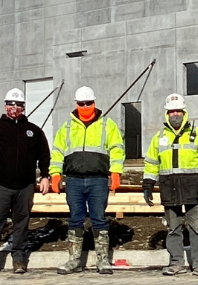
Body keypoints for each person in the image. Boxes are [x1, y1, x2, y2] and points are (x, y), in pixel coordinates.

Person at [0, 88, 52, 275]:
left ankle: (19, 259)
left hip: (25, 187)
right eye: (10, 104)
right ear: (5, 106)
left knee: (21, 224)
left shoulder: (33, 131)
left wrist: (45, 176)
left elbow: (44, 155)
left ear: (23, 107)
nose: (13, 108)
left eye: (18, 105)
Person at [49, 86, 125, 275]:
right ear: (76, 104)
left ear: (94, 103)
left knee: (99, 219)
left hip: (98, 180)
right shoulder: (67, 127)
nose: (85, 106)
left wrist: (115, 172)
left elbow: (117, 148)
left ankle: (103, 261)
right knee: (75, 219)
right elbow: (57, 152)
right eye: (81, 103)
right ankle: (74, 260)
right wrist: (55, 174)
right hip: (74, 180)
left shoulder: (107, 125)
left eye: (88, 103)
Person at [142, 93, 198, 277]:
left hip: (193, 188)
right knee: (173, 229)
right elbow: (151, 163)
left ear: (184, 112)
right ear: (167, 114)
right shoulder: (159, 137)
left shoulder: (197, 134)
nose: (175, 114)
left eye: (178, 111)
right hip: (170, 189)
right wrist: (148, 185)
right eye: (171, 111)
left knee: (197, 228)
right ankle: (176, 264)